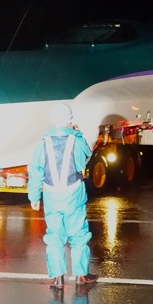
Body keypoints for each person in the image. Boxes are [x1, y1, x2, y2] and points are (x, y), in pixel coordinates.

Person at [28, 102, 99, 290]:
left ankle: (57, 277)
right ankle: (81, 275)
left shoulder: (42, 144)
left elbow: (36, 171)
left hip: (51, 194)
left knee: (54, 235)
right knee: (78, 234)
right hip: (74, 193)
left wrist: (34, 197)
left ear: (51, 120)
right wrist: (78, 133)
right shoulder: (76, 140)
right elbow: (86, 157)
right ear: (70, 121)